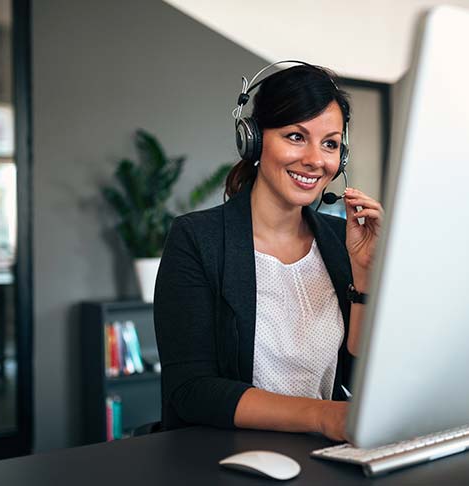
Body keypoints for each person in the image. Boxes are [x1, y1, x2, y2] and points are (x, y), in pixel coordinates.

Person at [154, 62, 383, 441]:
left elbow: (356, 378)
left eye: (330, 143)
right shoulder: (197, 238)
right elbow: (191, 390)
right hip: (225, 458)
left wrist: (365, 278)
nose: (315, 159)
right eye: (296, 136)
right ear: (254, 140)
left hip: (322, 456)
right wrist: (324, 416)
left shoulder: (341, 240)